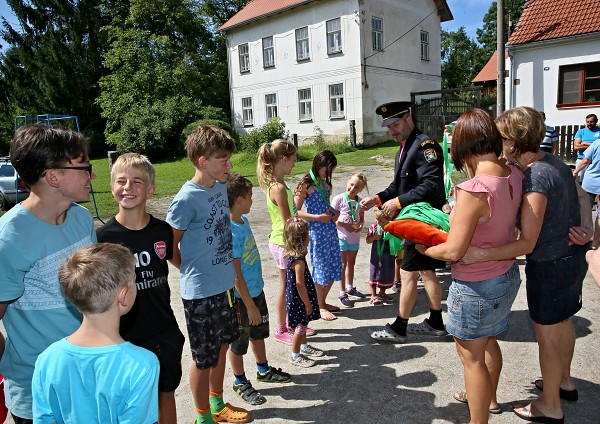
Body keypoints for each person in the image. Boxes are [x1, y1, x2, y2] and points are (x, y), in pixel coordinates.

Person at [462, 107, 592, 423]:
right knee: (563, 323)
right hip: (570, 260)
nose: (496, 142)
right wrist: (587, 228)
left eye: (501, 137)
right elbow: (583, 195)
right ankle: (563, 382)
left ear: (515, 141)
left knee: (547, 335)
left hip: (550, 265)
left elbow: (527, 242)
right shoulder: (554, 163)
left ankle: (549, 405)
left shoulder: (537, 178)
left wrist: (480, 254)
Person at [416, 109, 523, 423]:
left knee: (471, 358)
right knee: (489, 342)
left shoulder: (473, 190)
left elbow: (453, 250)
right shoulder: (513, 173)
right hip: (505, 275)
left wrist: (424, 247)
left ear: (462, 148)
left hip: (476, 286)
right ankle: (489, 401)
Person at [0, 125, 96, 423]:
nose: (92, 175)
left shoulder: (81, 218)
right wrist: (13, 360)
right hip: (40, 394)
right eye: (84, 167)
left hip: (90, 376)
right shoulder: (9, 239)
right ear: (53, 176)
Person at [166, 125, 249, 424]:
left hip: (225, 287)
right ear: (202, 161)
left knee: (223, 347)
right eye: (223, 159)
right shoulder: (186, 200)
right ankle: (202, 417)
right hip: (200, 294)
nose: (230, 165)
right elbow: (168, 247)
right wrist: (189, 268)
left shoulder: (218, 187)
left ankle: (217, 404)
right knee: (203, 360)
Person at [96, 153, 185, 424]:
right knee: (129, 405)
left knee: (164, 394)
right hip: (122, 337)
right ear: (112, 187)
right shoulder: (102, 238)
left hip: (163, 332)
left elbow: (181, 264)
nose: (128, 187)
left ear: (151, 189)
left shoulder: (163, 231)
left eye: (137, 182)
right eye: (121, 181)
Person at [32, 243, 160, 423]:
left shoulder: (47, 359)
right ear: (123, 296)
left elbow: (45, 419)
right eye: (134, 281)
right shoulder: (142, 365)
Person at [360, 101, 447, 343]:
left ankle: (399, 328)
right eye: (389, 127)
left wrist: (397, 203)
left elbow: (431, 184)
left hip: (422, 220)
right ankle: (436, 322)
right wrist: (377, 198)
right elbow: (399, 186)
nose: (393, 131)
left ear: (409, 119)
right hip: (415, 219)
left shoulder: (425, 145)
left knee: (408, 274)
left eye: (396, 124)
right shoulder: (404, 148)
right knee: (426, 272)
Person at [226, 173, 291, 406]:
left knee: (259, 333)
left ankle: (263, 369)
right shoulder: (231, 230)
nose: (253, 201)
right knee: (238, 342)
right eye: (251, 197)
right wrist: (250, 305)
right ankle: (239, 381)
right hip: (242, 299)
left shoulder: (244, 221)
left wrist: (255, 300)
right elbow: (235, 274)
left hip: (256, 291)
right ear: (240, 200)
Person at [295, 150, 344, 318]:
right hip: (316, 233)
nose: (329, 173)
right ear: (320, 165)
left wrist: (333, 212)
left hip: (330, 230)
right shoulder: (306, 184)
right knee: (321, 268)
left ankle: (321, 301)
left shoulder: (325, 183)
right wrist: (317, 217)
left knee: (334, 266)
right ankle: (320, 306)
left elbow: (326, 205)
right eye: (328, 169)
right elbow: (295, 211)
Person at [284, 217, 324, 367]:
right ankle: (295, 355)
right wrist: (307, 303)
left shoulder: (292, 256)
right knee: (300, 325)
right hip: (300, 299)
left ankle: (304, 346)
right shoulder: (299, 261)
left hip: (296, 298)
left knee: (303, 324)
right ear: (302, 240)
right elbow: (300, 284)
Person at [330, 173, 368, 301]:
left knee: (351, 262)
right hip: (341, 235)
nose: (353, 189)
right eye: (351, 185)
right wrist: (345, 226)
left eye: (357, 187)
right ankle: (342, 292)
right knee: (342, 263)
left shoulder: (360, 201)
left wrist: (360, 225)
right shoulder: (338, 199)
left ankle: (349, 287)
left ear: (360, 190)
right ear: (347, 182)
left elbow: (361, 218)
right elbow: (332, 218)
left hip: (354, 236)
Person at [573, 126, 600, 249]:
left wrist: (575, 172)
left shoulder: (597, 143)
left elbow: (585, 160)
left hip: (591, 181)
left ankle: (581, 238)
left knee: (583, 209)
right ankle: (595, 242)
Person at [366, 210, 396, 305]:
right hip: (376, 256)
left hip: (388, 256)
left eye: (382, 221)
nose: (379, 223)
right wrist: (374, 237)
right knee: (374, 273)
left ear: (388, 220)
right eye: (377, 220)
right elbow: (368, 240)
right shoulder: (374, 227)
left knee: (386, 273)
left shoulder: (391, 227)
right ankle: (373, 295)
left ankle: (382, 293)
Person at [573, 113, 600, 184]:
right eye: (587, 122)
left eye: (591, 122)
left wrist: (585, 143)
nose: (589, 123)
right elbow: (576, 147)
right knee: (578, 181)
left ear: (596, 121)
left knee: (594, 183)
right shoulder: (581, 132)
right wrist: (595, 145)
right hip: (582, 159)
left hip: (596, 161)